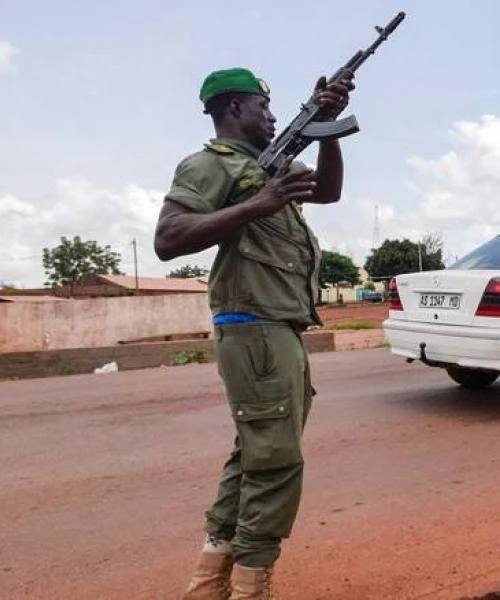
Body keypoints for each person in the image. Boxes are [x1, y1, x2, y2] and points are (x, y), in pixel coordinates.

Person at [154, 67, 354, 599]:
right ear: (234, 110)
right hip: (256, 328)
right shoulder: (209, 165)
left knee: (256, 455)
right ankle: (250, 588)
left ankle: (210, 584)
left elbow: (328, 192)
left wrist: (326, 128)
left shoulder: (265, 166)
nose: (271, 116)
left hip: (275, 328)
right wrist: (257, 205)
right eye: (263, 108)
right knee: (277, 462)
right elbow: (168, 238)